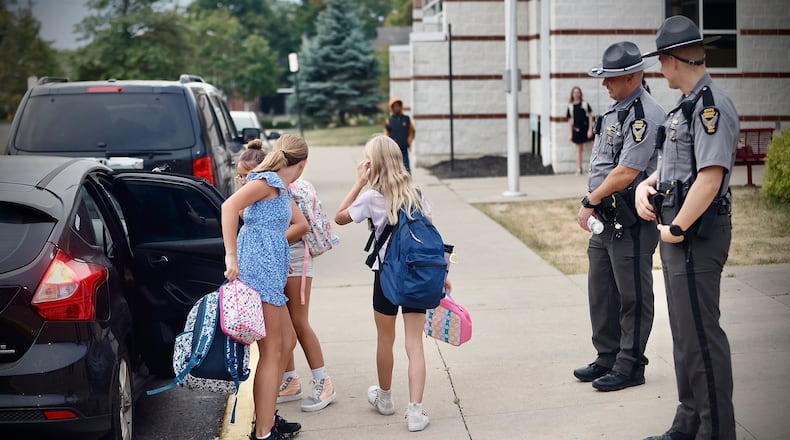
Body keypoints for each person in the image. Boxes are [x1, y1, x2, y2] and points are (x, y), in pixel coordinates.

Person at [636, 15, 739, 440]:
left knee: (701, 333)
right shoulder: (686, 106)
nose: (659, 70)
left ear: (672, 59)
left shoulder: (711, 105)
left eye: (661, 61)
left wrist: (675, 227)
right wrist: (647, 183)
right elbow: (674, 168)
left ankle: (715, 430)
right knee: (683, 332)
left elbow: (711, 177)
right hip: (679, 233)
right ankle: (689, 421)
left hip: (695, 234)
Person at [334, 135, 448, 432]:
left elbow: (339, 218)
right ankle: (415, 412)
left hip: (385, 277)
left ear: (372, 165)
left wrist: (359, 182)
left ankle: (385, 399)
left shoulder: (372, 197)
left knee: (385, 339)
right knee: (415, 344)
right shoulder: (418, 195)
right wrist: (444, 275)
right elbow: (431, 239)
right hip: (417, 275)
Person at [574, 41, 666, 393]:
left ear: (631, 77)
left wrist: (589, 199)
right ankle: (607, 356)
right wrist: (596, 202)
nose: (604, 84)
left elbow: (627, 171)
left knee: (632, 295)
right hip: (606, 216)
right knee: (602, 291)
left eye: (610, 78)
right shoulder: (616, 110)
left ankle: (630, 365)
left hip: (632, 219)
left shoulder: (644, 113)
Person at [221, 134, 310, 440]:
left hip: (271, 271)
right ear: (302, 164)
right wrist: (231, 254)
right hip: (257, 271)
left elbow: (292, 227)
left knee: (286, 344)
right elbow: (229, 207)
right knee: (272, 350)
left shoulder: (282, 188)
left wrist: (278, 249)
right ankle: (262, 433)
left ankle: (267, 417)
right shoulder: (267, 181)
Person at [276, 182, 337, 413]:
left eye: (247, 174)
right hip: (282, 258)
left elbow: (299, 226)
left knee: (299, 323)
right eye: (240, 175)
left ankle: (324, 383)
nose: (243, 179)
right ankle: (290, 382)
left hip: (297, 257)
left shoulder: (278, 190)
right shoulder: (261, 188)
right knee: (285, 324)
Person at [566, 86, 595, 175]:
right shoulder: (570, 106)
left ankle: (595, 167)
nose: (576, 94)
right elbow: (570, 121)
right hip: (577, 130)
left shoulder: (585, 104)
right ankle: (579, 168)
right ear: (572, 94)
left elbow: (590, 117)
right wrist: (570, 133)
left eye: (578, 92)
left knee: (594, 148)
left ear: (580, 94)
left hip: (586, 128)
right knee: (579, 150)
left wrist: (590, 129)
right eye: (574, 92)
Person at [384, 97, 415, 173]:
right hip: (393, 149)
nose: (396, 108)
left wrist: (408, 142)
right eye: (394, 106)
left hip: (404, 148)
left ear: (400, 106)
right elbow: (386, 134)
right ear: (392, 108)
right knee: (395, 169)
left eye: (398, 106)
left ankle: (408, 183)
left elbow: (412, 131)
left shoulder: (406, 119)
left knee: (406, 168)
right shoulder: (389, 120)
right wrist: (388, 145)